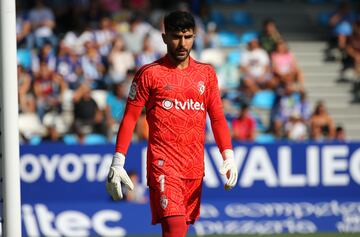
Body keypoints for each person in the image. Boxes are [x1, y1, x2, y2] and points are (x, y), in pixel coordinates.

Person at [106, 11, 238, 237]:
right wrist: (118, 161)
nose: (182, 43)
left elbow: (216, 117)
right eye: (176, 36)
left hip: (194, 167)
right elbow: (129, 117)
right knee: (176, 229)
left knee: (177, 230)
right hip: (164, 165)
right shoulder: (149, 74)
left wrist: (229, 156)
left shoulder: (206, 74)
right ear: (165, 37)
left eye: (187, 37)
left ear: (194, 37)